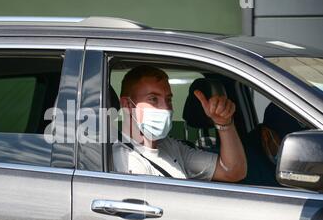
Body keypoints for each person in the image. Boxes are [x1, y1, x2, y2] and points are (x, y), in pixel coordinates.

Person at [112, 65, 247, 182]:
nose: (165, 107)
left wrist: (224, 124)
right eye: (153, 99)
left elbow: (233, 172)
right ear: (128, 105)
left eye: (168, 100)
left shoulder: (169, 146)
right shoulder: (126, 159)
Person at [241, 102, 306, 187]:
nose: (299, 150)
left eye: (303, 142)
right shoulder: (248, 165)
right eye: (291, 143)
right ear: (266, 135)